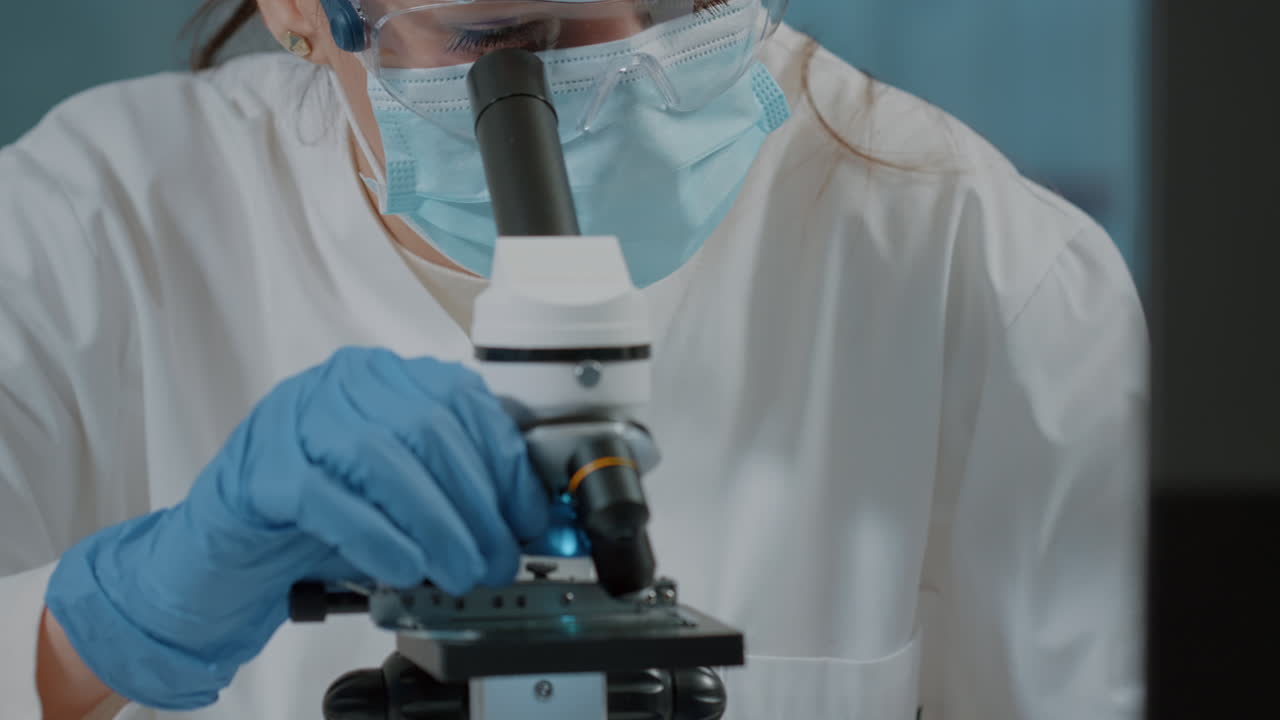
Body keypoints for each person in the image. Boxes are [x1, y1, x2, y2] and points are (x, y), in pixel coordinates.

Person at [0, 1, 1146, 718]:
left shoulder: (994, 274)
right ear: (301, 11)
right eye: (506, 40)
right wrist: (96, 629)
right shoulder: (73, 238)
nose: (635, 67)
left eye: (686, 5)